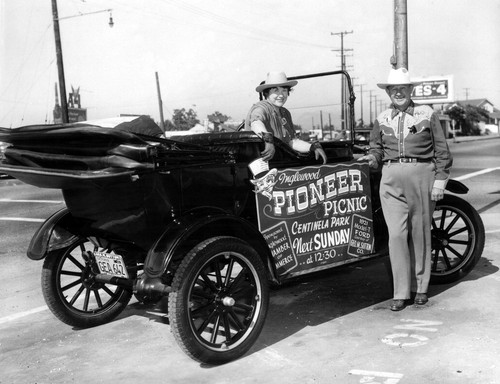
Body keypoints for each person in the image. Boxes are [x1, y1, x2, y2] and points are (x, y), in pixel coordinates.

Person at [358, 68, 453, 311]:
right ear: (388, 92)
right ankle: (400, 291)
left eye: (403, 88)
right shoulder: (381, 118)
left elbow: (442, 151)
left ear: (411, 90)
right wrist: (372, 158)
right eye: (394, 89)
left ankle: (420, 288)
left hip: (422, 176)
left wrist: (440, 182)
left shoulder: (427, 114)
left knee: (420, 233)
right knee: (397, 236)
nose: (398, 93)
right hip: (390, 180)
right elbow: (377, 149)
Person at [245, 71, 327, 164]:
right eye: (275, 90)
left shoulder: (285, 113)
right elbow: (256, 123)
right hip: (258, 162)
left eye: (284, 90)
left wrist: (311, 147)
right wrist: (268, 140)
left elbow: (292, 142)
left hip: (278, 161)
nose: (281, 95)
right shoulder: (261, 108)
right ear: (267, 93)